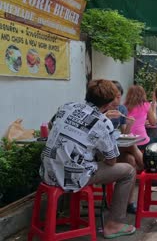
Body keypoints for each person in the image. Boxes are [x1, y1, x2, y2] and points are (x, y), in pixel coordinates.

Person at [41, 79, 137, 238]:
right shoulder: (102, 122)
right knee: (128, 171)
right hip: (73, 176)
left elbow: (51, 126)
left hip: (47, 172)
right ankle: (114, 224)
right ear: (107, 104)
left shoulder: (67, 107)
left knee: (85, 160)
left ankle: (68, 214)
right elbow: (111, 160)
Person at [106, 81, 143, 214]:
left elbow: (124, 134)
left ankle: (128, 203)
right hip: (103, 152)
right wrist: (104, 118)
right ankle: (149, 167)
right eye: (115, 96)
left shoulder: (121, 109)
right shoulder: (100, 110)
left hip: (116, 147)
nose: (117, 100)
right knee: (132, 147)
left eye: (119, 96)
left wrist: (129, 124)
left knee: (131, 160)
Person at [124, 85, 157, 150]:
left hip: (127, 141)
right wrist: (154, 107)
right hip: (142, 141)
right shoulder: (146, 105)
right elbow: (153, 122)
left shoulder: (124, 106)